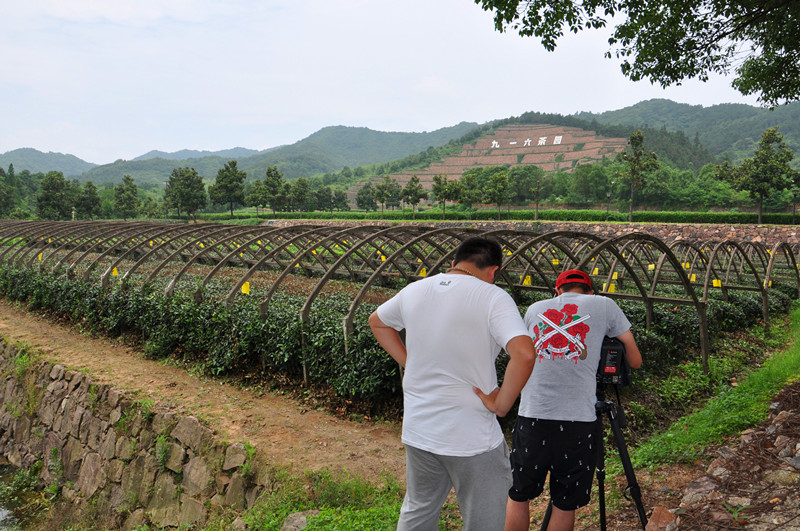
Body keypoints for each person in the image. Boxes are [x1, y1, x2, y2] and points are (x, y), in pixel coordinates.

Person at [369, 236, 536, 531]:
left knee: (419, 510)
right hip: (471, 437)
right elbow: (524, 354)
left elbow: (378, 322)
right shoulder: (492, 297)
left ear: (454, 263)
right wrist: (501, 404)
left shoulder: (414, 290)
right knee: (484, 520)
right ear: (493, 271)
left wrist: (410, 363)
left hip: (420, 430)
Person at [505, 269, 642, 531]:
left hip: (532, 416)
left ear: (557, 292)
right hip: (577, 422)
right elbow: (634, 361)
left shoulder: (535, 308)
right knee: (565, 502)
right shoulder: (604, 305)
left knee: (518, 494)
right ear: (591, 291)